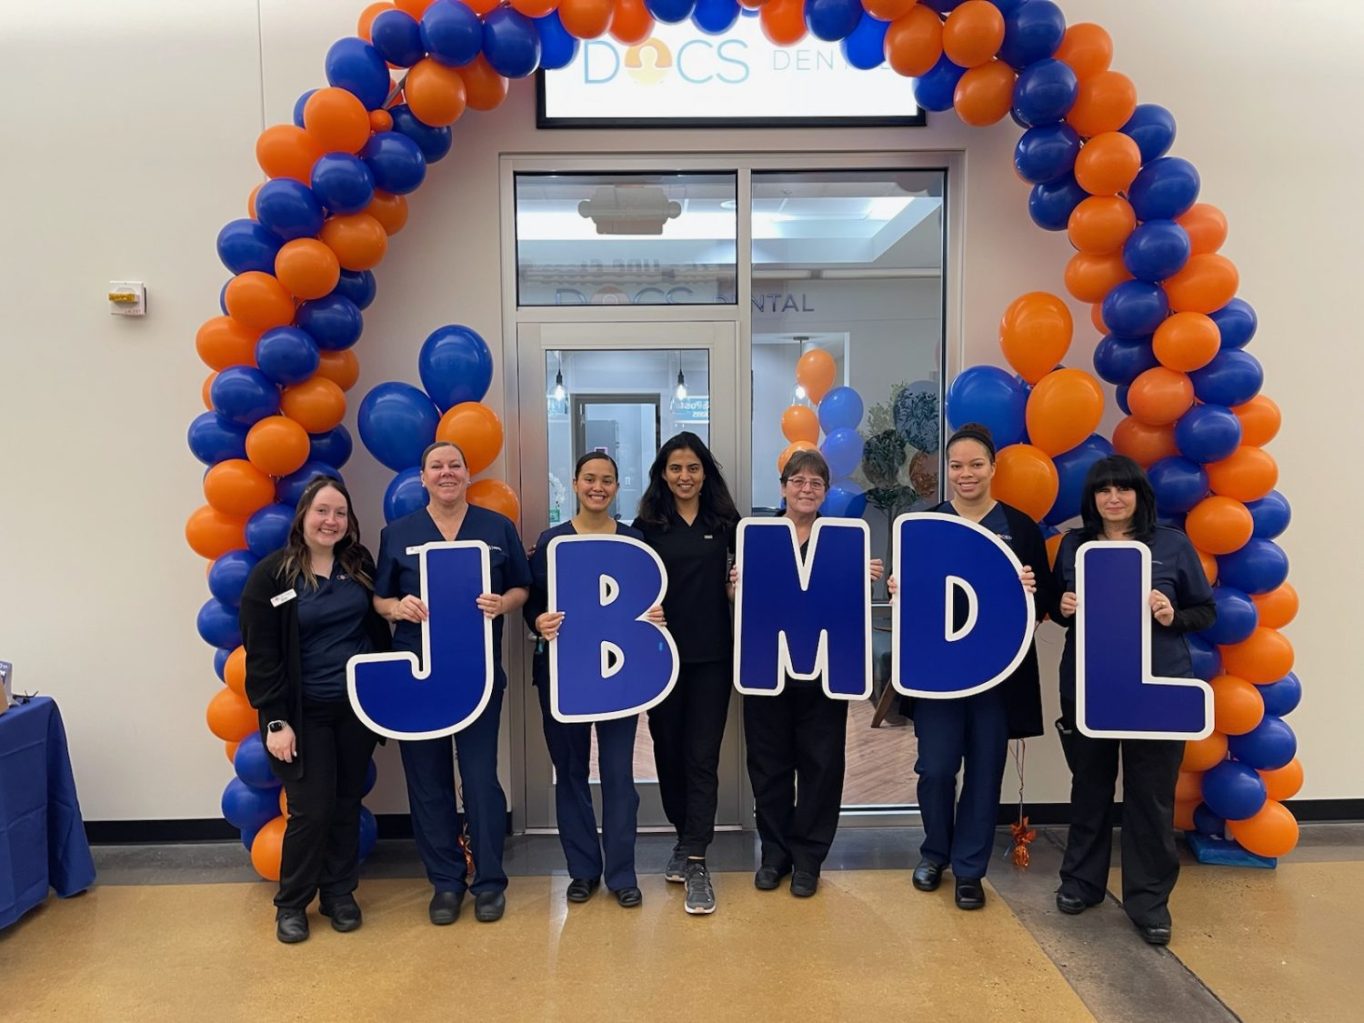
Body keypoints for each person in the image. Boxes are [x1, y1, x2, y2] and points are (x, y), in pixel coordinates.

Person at [1051, 454, 1215, 945]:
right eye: (1104, 490)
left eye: (1123, 489)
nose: (1114, 498)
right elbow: (1057, 612)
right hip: (1090, 684)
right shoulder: (1075, 546)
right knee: (1090, 788)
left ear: (1140, 495)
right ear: (1092, 499)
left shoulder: (1171, 544)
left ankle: (1149, 902)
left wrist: (1172, 615)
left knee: (1151, 798)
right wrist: (1060, 607)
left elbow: (1204, 610)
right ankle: (1081, 884)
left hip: (1156, 688)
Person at [889, 423, 1053, 911]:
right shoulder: (927, 524)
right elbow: (910, 602)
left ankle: (969, 869)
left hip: (996, 680)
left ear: (993, 468)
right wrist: (900, 590)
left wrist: (1028, 587)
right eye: (956, 465)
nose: (965, 474)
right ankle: (934, 852)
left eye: (975, 464)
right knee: (935, 769)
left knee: (985, 773)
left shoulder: (1020, 526)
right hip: (939, 675)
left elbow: (1044, 599)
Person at [373, 441, 531, 926]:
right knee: (428, 782)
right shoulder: (397, 533)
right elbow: (379, 599)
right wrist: (397, 608)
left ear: (467, 473)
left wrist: (503, 604)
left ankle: (488, 883)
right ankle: (445, 882)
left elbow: (522, 587)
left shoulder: (496, 528)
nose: (446, 473)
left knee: (481, 781)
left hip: (478, 678)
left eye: (454, 465)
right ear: (422, 477)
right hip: (418, 679)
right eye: (436, 466)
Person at [239, 475, 392, 944]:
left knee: (346, 802)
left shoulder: (358, 564)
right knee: (311, 808)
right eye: (322, 511)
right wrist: (276, 721)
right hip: (302, 716)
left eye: (340, 513)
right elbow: (262, 657)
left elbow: (377, 623)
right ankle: (291, 903)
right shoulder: (273, 574)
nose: (331, 521)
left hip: (355, 711)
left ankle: (339, 893)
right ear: (303, 516)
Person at [525, 453, 666, 909]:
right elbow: (534, 603)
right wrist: (538, 620)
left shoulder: (634, 542)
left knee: (620, 777)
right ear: (575, 483)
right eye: (590, 478)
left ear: (617, 487)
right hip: (564, 679)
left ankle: (622, 873)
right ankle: (582, 871)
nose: (598, 487)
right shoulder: (551, 542)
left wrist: (654, 617)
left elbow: (647, 602)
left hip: (619, 680)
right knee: (569, 774)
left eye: (607, 480)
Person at [741, 449, 883, 898]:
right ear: (783, 486)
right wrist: (735, 583)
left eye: (816, 483)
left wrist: (863, 578)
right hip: (768, 666)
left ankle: (808, 859)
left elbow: (845, 601)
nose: (806, 489)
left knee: (822, 765)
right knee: (769, 766)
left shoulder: (842, 542)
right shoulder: (758, 537)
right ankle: (775, 854)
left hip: (824, 672)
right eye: (798, 480)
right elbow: (742, 600)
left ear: (825, 492)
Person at [632, 431, 741, 915]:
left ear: (705, 473)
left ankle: (696, 854)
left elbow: (757, 578)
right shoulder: (646, 526)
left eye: (692, 468)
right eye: (675, 468)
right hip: (661, 659)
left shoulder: (728, 524)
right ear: (662, 473)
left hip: (714, 659)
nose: (684, 477)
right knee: (668, 753)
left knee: (702, 757)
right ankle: (683, 838)